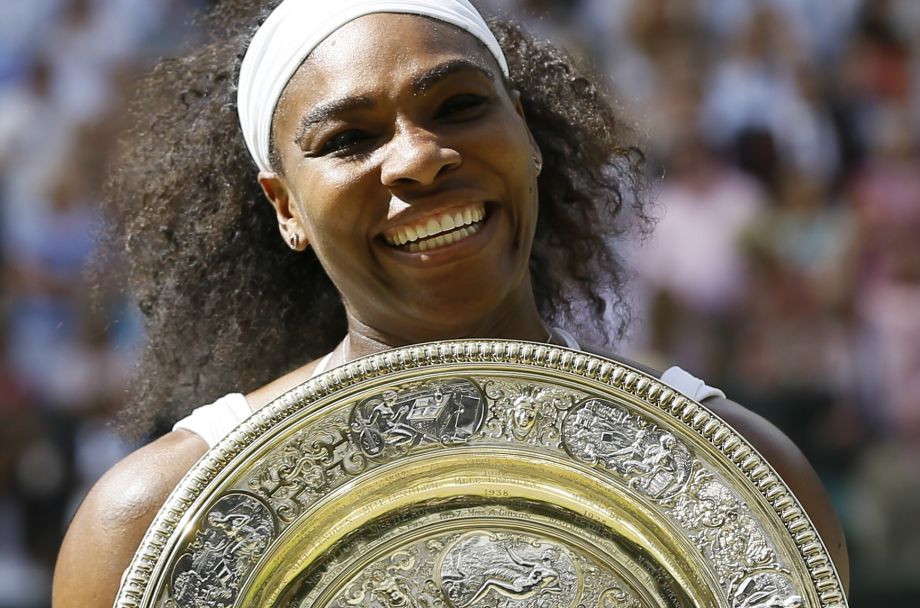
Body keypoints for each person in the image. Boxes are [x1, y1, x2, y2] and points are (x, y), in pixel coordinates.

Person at [51, 1, 849, 605]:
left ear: (528, 136)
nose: (421, 159)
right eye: (348, 141)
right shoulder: (147, 527)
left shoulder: (742, 478)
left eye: (459, 106)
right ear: (284, 206)